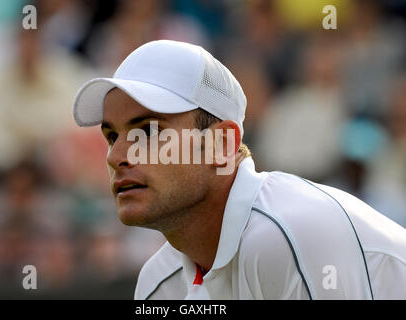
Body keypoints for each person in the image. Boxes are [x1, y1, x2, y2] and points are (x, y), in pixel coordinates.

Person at [72, 40, 406, 299]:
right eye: (112, 135)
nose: (115, 156)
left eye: (147, 131)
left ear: (222, 145)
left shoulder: (287, 236)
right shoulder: (157, 282)